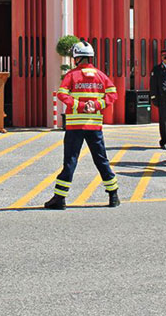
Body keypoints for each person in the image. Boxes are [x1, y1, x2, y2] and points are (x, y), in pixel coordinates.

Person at [45, 41, 119, 209]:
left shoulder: (71, 75)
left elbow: (62, 95)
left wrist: (80, 105)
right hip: (94, 126)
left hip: (75, 127)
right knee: (101, 160)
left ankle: (59, 198)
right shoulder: (101, 76)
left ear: (76, 58)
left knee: (70, 161)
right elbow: (113, 94)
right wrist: (97, 105)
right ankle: (113, 195)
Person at [149, 49, 166, 149]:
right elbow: (153, 84)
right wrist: (153, 97)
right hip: (162, 98)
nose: (165, 58)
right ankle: (164, 140)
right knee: (164, 121)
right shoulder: (157, 69)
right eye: (163, 56)